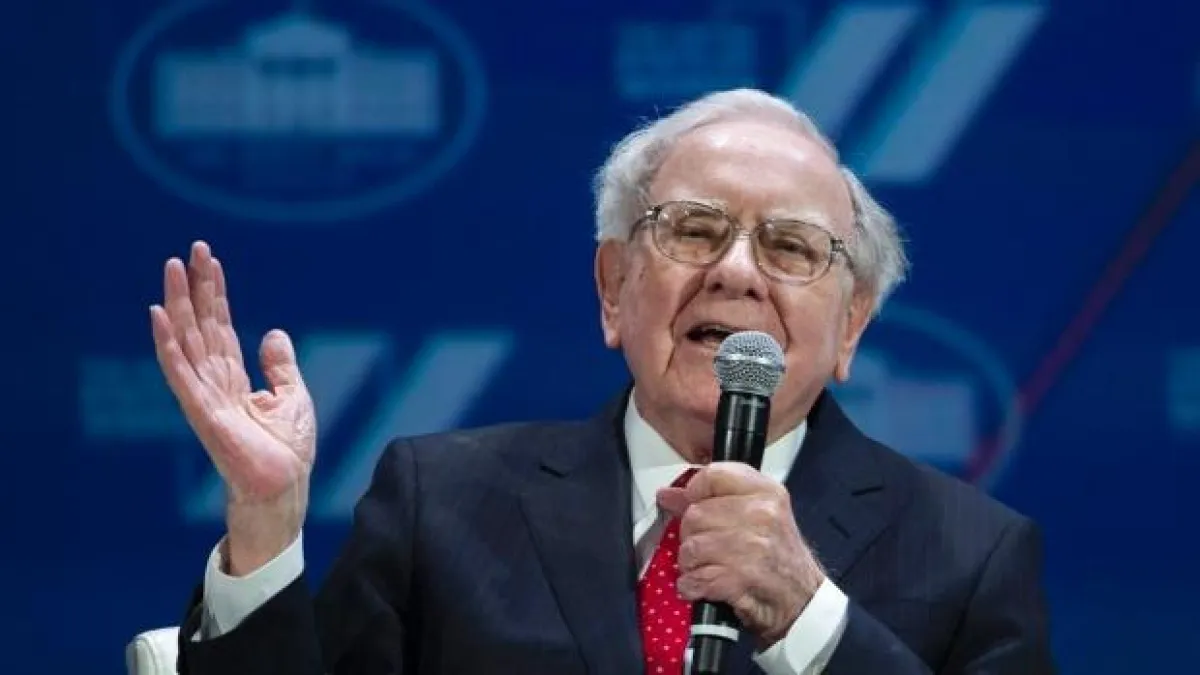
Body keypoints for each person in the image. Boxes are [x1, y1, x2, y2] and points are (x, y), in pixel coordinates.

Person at [151, 88, 1054, 675]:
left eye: (789, 247)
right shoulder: (441, 504)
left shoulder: (969, 554)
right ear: (614, 287)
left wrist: (807, 615)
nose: (738, 272)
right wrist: (264, 528)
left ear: (851, 324)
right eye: (694, 229)